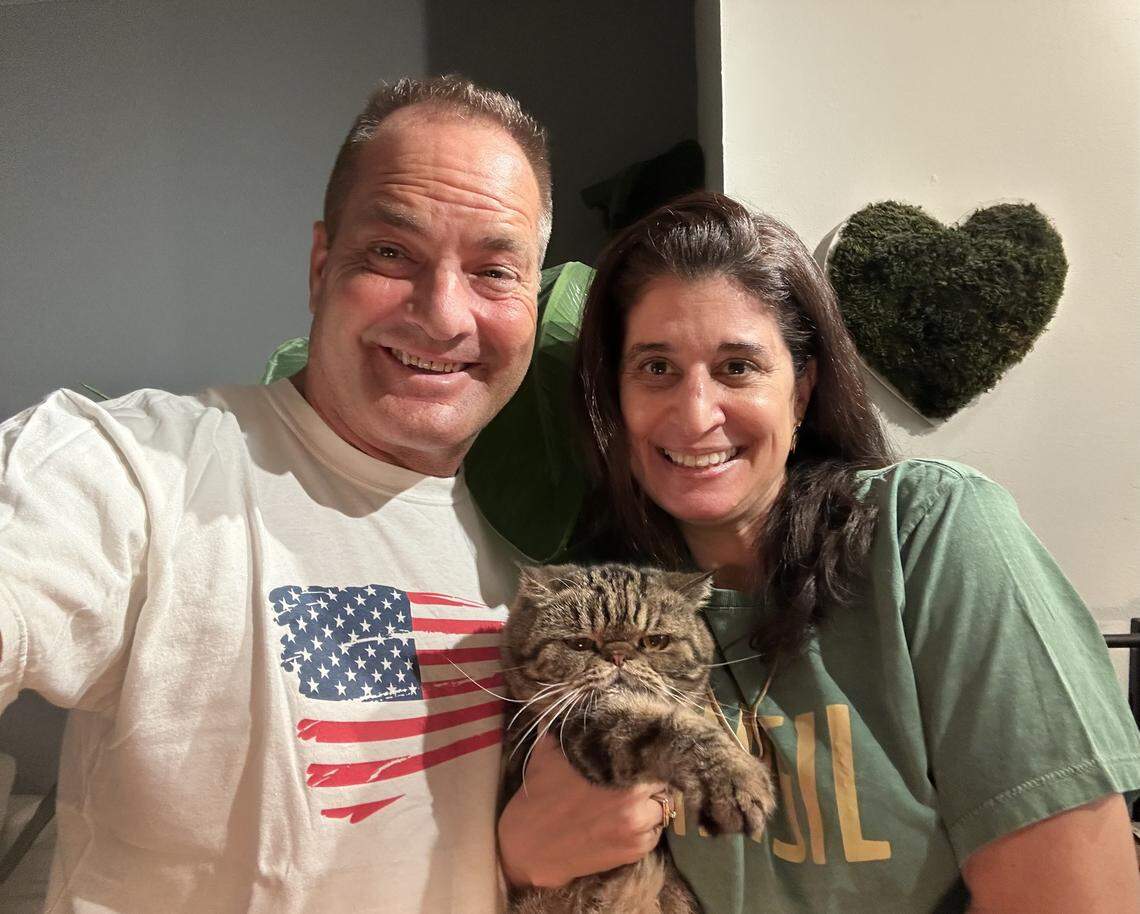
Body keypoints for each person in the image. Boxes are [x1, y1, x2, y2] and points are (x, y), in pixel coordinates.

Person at [0, 74, 664, 914]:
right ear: (322, 266)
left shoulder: (539, 559)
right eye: (392, 254)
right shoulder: (148, 468)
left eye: (494, 271)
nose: (443, 315)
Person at [498, 192, 1140, 912]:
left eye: (737, 366)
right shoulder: (599, 606)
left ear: (800, 390)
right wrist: (520, 854)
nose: (695, 413)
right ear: (614, 397)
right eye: (655, 368)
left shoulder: (928, 531)